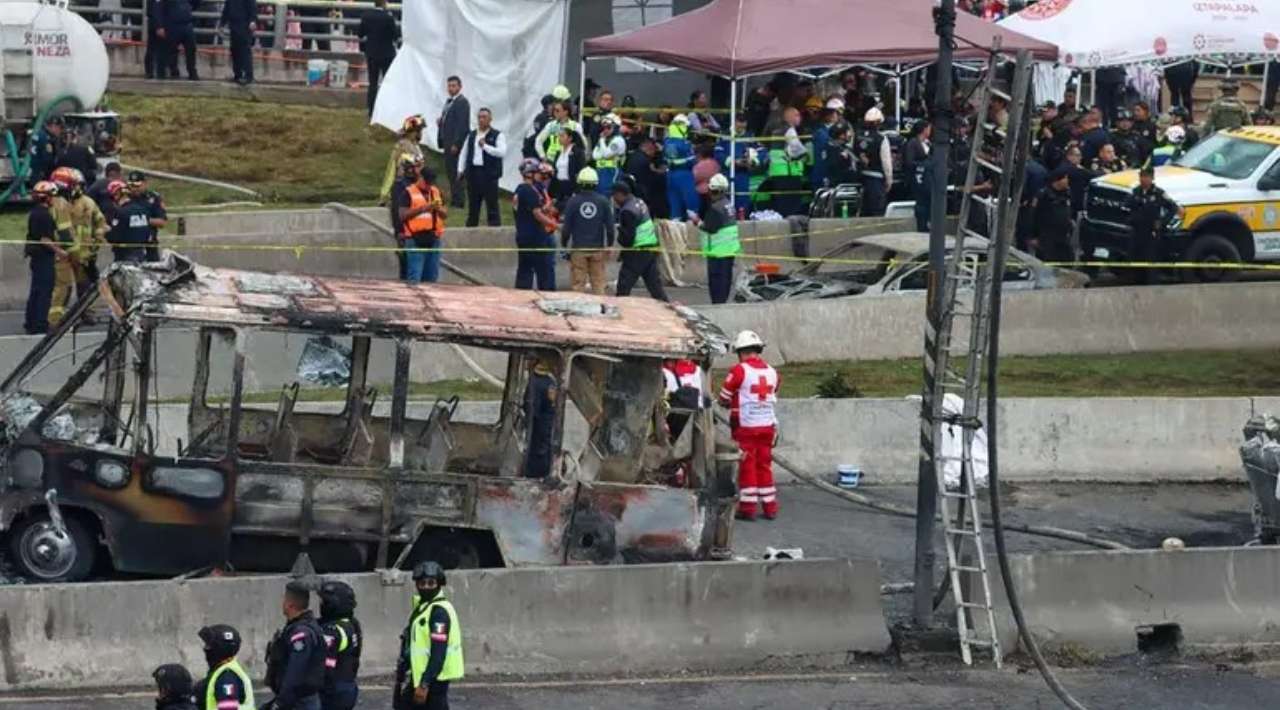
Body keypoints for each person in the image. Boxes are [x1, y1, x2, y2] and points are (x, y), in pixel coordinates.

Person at [717, 330, 780, 521]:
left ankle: (748, 509)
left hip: (746, 427)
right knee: (764, 466)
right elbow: (773, 392)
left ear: (740, 352)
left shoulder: (739, 370)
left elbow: (724, 397)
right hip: (768, 426)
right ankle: (770, 508)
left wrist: (727, 401)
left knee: (747, 467)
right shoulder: (772, 371)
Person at [398, 561, 464, 709]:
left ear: (439, 584)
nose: (426, 587)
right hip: (421, 675)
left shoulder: (439, 612)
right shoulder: (423, 607)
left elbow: (438, 652)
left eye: (430, 583)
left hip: (434, 679)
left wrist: (424, 684)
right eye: (422, 583)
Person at [48, 167, 106, 327]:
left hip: (85, 255)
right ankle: (55, 320)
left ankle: (87, 313)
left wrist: (97, 240)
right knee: (63, 287)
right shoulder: (56, 205)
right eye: (75, 185)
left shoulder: (88, 202)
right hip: (64, 256)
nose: (78, 188)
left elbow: (100, 221)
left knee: (86, 286)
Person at [265, 581, 326, 710]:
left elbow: (295, 672)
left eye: (284, 599)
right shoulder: (295, 628)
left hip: (299, 702)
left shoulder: (301, 634)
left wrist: (280, 703)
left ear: (289, 605)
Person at [560, 167, 614, 295]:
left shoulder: (573, 202)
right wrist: (610, 245)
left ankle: (579, 314)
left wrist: (564, 244)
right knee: (599, 285)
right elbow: (610, 227)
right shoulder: (603, 201)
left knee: (578, 286)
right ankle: (601, 311)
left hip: (578, 250)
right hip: (598, 250)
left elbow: (566, 228)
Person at [1126, 166, 1183, 285]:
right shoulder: (1135, 191)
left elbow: (1173, 208)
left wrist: (1162, 222)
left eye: (1146, 177)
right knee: (1136, 260)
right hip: (1137, 231)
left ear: (1152, 178)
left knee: (1151, 261)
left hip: (1151, 232)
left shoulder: (1159, 193)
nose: (1143, 179)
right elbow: (1128, 204)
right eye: (1141, 176)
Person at [612, 181, 667, 301]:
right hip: (650, 248)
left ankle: (620, 310)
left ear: (621, 194)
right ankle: (668, 310)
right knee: (655, 287)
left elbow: (628, 239)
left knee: (623, 287)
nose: (614, 199)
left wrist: (620, 233)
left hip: (637, 252)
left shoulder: (627, 211)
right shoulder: (639, 202)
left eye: (614, 195)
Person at [693, 173, 739, 304]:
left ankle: (718, 304)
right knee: (726, 279)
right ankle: (721, 302)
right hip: (728, 249)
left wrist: (697, 222)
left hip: (717, 251)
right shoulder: (727, 204)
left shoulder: (716, 208)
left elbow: (710, 228)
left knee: (716, 281)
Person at [512, 158, 558, 290]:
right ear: (530, 173)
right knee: (543, 271)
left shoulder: (520, 190)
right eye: (537, 172)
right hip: (535, 237)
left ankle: (521, 295)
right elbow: (537, 214)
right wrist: (556, 225)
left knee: (524, 270)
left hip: (523, 234)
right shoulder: (529, 191)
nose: (540, 175)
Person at [23, 181, 61, 335]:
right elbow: (45, 239)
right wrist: (60, 251)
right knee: (44, 291)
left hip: (36, 257)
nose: (54, 199)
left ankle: (30, 322)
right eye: (53, 196)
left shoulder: (35, 213)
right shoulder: (44, 215)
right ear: (47, 197)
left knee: (36, 290)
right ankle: (40, 324)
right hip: (44, 257)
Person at [398, 166, 447, 283]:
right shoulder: (408, 192)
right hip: (415, 239)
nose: (428, 185)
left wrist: (437, 209)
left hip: (433, 238)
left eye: (431, 183)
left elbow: (445, 214)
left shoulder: (436, 192)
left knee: (431, 278)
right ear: (420, 177)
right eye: (426, 182)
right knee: (415, 277)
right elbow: (402, 215)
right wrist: (424, 208)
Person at [458, 107, 506, 227]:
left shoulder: (497, 135)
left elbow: (501, 152)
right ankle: (471, 227)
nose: (481, 120)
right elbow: (464, 152)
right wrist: (460, 169)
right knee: (473, 203)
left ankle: (494, 228)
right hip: (474, 172)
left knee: (492, 203)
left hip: (489, 173)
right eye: (479, 117)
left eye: (484, 117)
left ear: (490, 119)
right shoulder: (472, 135)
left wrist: (485, 146)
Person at [318, 580, 362, 710]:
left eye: (324, 602)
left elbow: (326, 667)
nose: (321, 605)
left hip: (333, 691)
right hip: (348, 685)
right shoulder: (352, 624)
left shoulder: (332, 631)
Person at [196, 624, 255, 710]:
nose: (205, 649)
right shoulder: (225, 671)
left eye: (208, 646)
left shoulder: (226, 676)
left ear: (219, 648)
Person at [357, 0, 399, 117]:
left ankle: (371, 110)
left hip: (371, 53)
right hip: (387, 54)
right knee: (388, 82)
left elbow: (360, 33)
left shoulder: (366, 16)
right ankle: (387, 109)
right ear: (384, 3)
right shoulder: (388, 17)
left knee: (373, 83)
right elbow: (395, 36)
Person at [764, 107, 808, 217]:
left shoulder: (776, 131)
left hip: (776, 172)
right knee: (791, 207)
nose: (800, 118)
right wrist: (805, 155)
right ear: (790, 117)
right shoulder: (789, 130)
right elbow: (797, 148)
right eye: (797, 115)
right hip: (789, 173)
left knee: (781, 205)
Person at [1029, 166, 1075, 264]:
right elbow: (1033, 216)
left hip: (1063, 236)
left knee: (1068, 261)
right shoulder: (1043, 195)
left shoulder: (1067, 193)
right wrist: (1033, 236)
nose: (1068, 181)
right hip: (1047, 237)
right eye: (1066, 178)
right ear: (1058, 179)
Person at [437, 76, 471, 208]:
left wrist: (457, 144)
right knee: (450, 171)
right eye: (449, 85)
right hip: (447, 141)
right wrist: (442, 122)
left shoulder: (462, 102)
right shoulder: (449, 102)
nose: (451, 88)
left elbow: (462, 125)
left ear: (459, 87)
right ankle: (455, 198)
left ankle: (459, 200)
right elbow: (451, 120)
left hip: (454, 144)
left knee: (456, 171)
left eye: (453, 86)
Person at [523, 354, 558, 479]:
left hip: (540, 428)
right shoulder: (550, 382)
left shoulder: (535, 382)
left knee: (538, 453)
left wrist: (527, 420)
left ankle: (534, 476)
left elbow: (533, 409)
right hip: (546, 426)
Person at [854, 107, 893, 217]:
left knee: (863, 211)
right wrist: (889, 180)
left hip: (860, 178)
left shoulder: (856, 136)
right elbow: (886, 162)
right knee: (877, 212)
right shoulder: (881, 138)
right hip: (876, 179)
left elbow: (853, 154)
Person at [105, 180, 153, 263]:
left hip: (124, 257)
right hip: (142, 255)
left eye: (112, 197)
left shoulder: (120, 213)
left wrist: (106, 231)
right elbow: (148, 233)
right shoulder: (143, 210)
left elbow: (114, 237)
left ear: (117, 195)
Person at [663, 114, 698, 221]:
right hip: (684, 175)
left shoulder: (666, 142)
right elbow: (692, 161)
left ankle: (674, 233)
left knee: (675, 206)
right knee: (692, 204)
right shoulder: (685, 144)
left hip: (670, 175)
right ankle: (692, 232)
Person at [156, 0, 201, 80]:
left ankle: (192, 72)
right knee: (172, 51)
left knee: (191, 49)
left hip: (187, 24)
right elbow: (159, 9)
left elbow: (195, 3)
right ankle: (174, 72)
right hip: (173, 25)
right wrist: (160, 26)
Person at [624, 137, 666, 213]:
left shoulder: (632, 156)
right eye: (654, 150)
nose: (654, 153)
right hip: (643, 192)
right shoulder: (645, 160)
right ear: (649, 148)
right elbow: (654, 175)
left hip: (632, 190)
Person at [218, 0, 256, 85]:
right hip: (234, 25)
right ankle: (237, 75)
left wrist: (252, 21)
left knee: (245, 51)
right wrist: (222, 23)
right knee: (235, 51)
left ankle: (248, 76)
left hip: (244, 25)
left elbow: (253, 8)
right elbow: (226, 10)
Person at [591, 114, 626, 196]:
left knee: (608, 194)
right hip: (600, 171)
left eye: (609, 127)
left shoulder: (618, 140)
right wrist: (603, 142)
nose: (605, 130)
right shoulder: (605, 140)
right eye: (604, 128)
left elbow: (606, 155)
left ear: (616, 127)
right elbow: (594, 156)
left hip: (612, 172)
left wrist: (602, 140)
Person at [691, 141, 721, 212]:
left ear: (699, 155)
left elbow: (694, 179)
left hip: (702, 193)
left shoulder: (698, 166)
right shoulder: (715, 164)